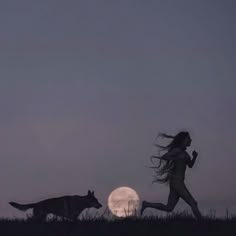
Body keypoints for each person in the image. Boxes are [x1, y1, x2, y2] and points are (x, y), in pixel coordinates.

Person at [141, 131, 202, 220]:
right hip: (177, 182)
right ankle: (202, 223)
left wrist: (195, 157)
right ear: (183, 140)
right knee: (193, 203)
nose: (190, 140)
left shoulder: (185, 154)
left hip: (177, 182)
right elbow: (165, 157)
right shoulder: (177, 150)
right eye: (188, 138)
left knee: (169, 208)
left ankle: (147, 204)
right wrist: (177, 158)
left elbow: (190, 165)